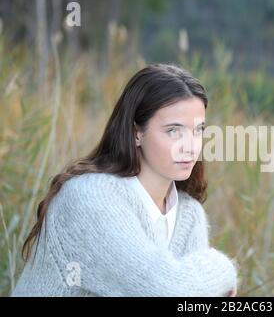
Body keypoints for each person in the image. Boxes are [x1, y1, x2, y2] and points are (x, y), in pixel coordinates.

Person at [12, 63, 238, 297]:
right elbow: (167, 290)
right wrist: (224, 270)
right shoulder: (89, 200)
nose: (190, 147)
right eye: (174, 131)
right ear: (136, 133)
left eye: (198, 130)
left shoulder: (189, 215)